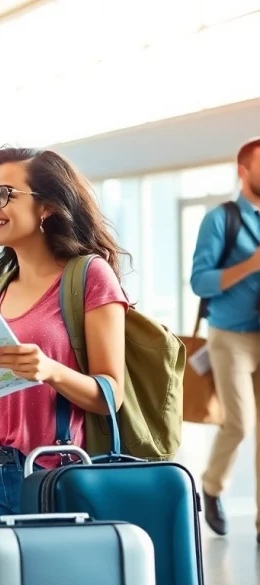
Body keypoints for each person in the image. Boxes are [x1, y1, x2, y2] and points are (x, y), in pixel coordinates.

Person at [0, 147, 128, 526]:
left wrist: (49, 370)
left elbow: (112, 395)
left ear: (46, 206)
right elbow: (0, 403)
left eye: (3, 195)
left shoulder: (89, 277)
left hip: (54, 472)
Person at [191, 137, 260, 540]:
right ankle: (213, 486)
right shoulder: (221, 219)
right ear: (244, 170)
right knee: (239, 423)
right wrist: (250, 266)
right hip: (230, 336)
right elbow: (200, 280)